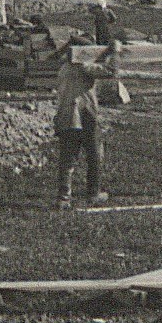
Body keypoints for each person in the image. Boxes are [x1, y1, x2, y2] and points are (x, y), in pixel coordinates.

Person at [53, 44, 118, 208]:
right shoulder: (83, 66)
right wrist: (114, 52)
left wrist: (101, 56)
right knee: (95, 155)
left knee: (67, 159)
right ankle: (93, 194)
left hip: (66, 117)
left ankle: (63, 198)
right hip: (84, 116)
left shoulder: (65, 68)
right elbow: (110, 71)